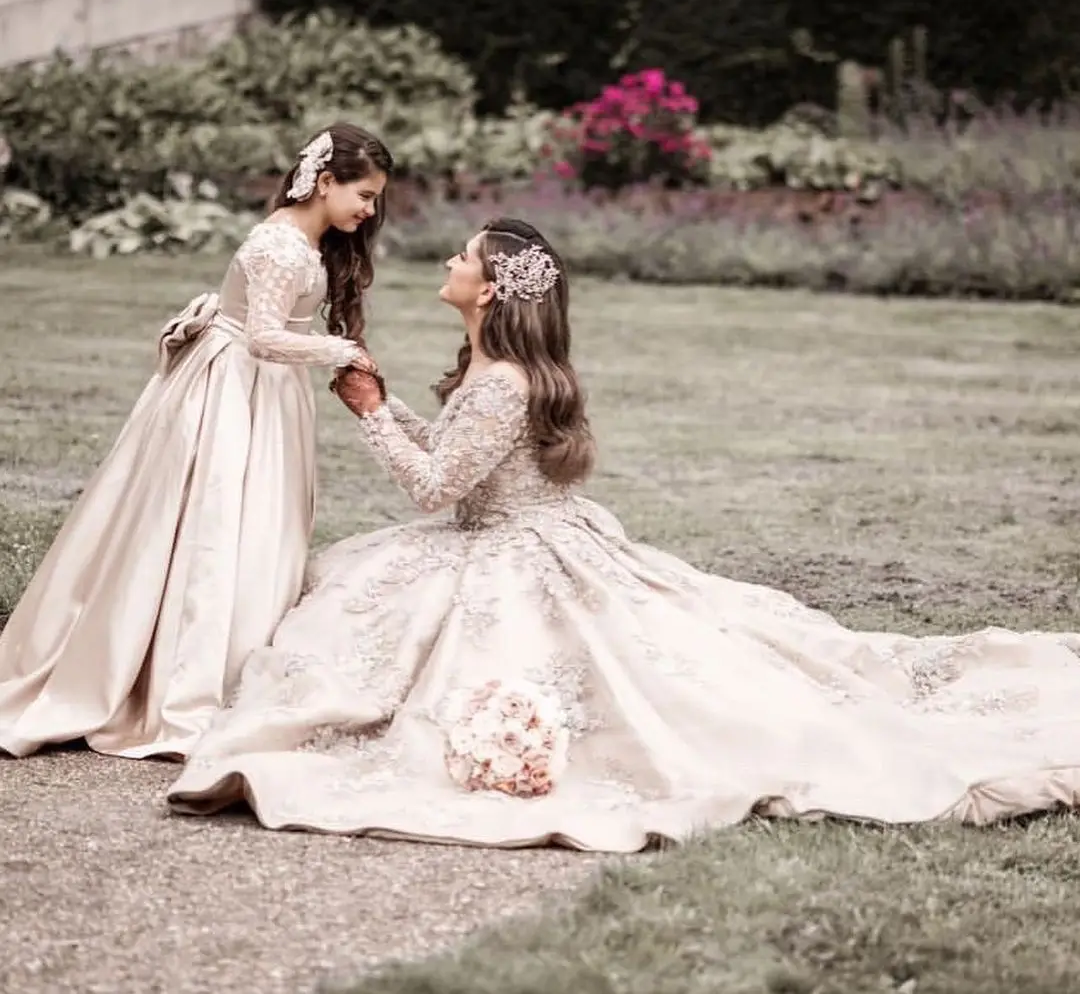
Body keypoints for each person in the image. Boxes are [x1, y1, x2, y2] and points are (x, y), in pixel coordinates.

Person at [167, 218, 1080, 853]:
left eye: (463, 256)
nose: (447, 259)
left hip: (510, 549)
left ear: (488, 289)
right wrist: (386, 400)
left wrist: (369, 416)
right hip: (532, 530)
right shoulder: (499, 368)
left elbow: (435, 490)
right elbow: (461, 455)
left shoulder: (500, 382)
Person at [0, 122, 393, 761]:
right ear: (326, 183)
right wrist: (340, 349)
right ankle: (182, 675)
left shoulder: (307, 242)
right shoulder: (280, 246)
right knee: (216, 523)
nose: (369, 210)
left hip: (268, 392)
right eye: (365, 195)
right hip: (235, 390)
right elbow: (264, 335)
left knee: (260, 524)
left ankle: (236, 657)